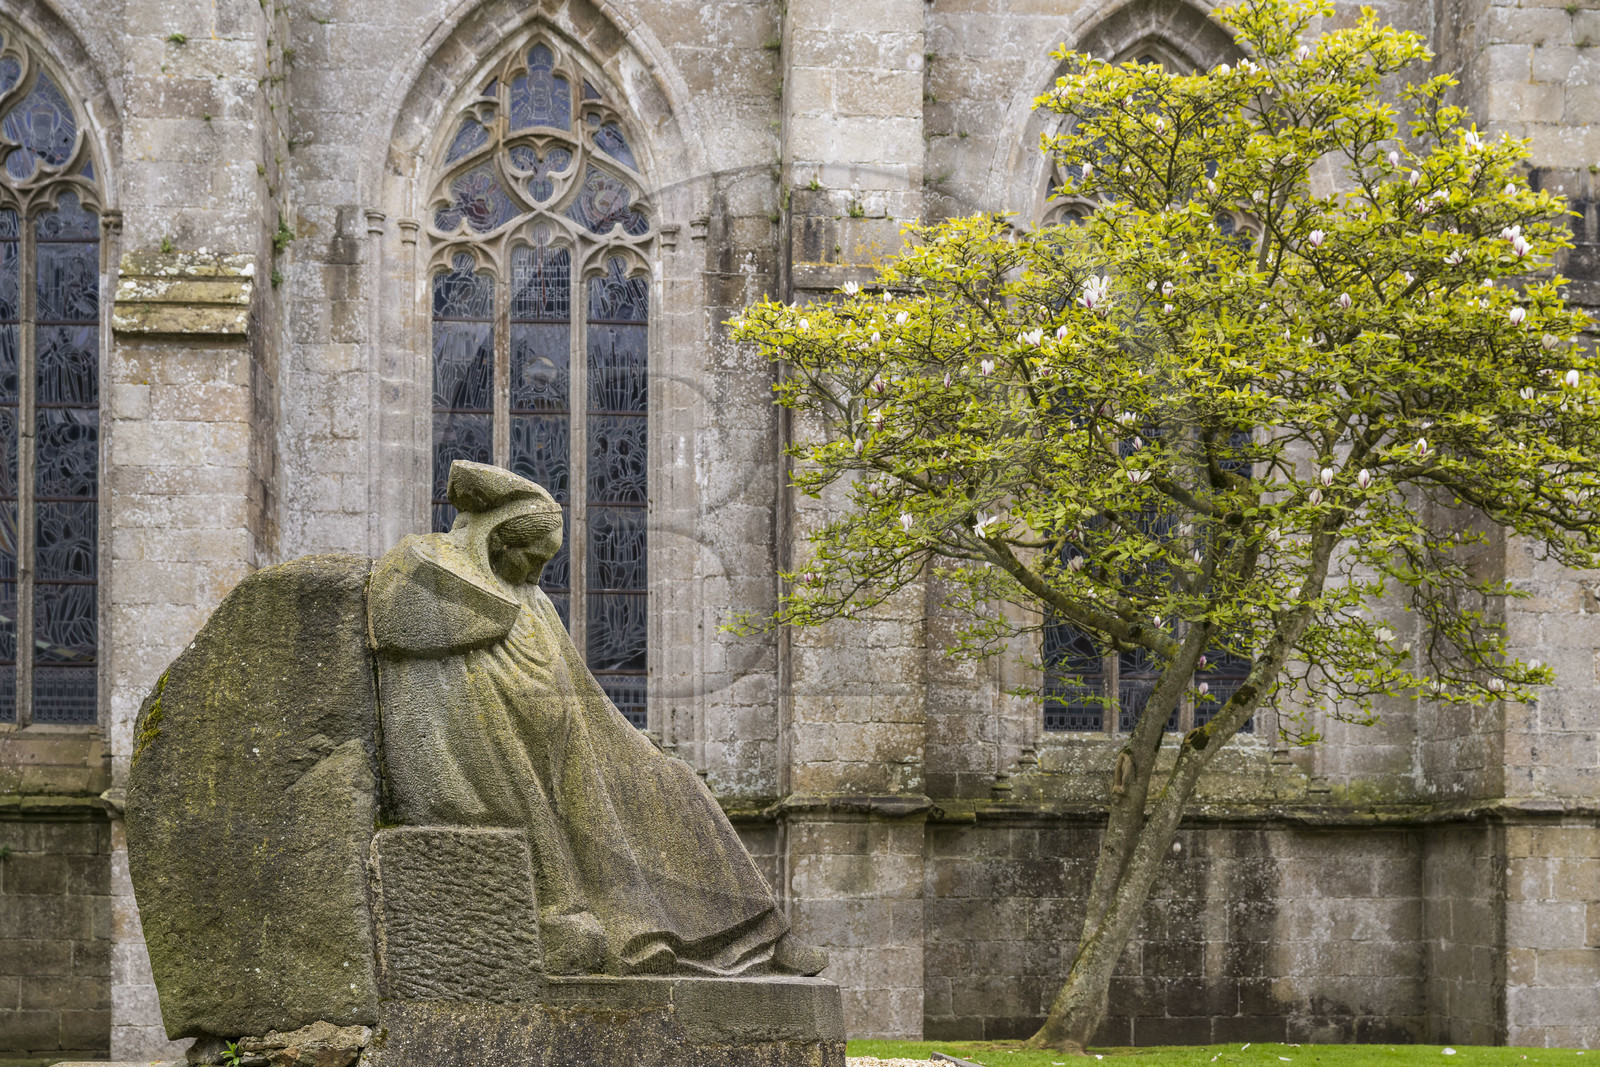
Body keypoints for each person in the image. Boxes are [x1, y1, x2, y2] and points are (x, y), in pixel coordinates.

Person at [368, 460, 827, 977]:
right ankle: (643, 934)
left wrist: (632, 741)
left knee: (673, 782)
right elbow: (406, 633)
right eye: (532, 558)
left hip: (574, 743)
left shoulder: (532, 599)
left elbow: (580, 688)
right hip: (511, 759)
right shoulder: (426, 572)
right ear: (496, 541)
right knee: (602, 810)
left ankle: (764, 933)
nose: (539, 574)